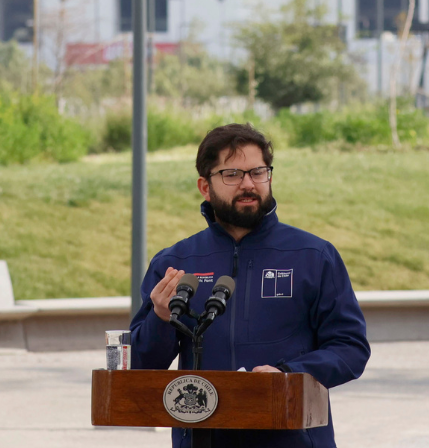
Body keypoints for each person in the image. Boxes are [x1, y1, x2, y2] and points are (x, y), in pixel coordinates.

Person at [131, 123, 370, 448]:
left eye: (258, 172)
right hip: (203, 439)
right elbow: (140, 367)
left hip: (293, 439)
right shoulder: (175, 263)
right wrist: (159, 318)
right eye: (232, 174)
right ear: (205, 186)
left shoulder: (313, 256)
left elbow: (350, 347)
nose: (248, 184)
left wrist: (287, 374)